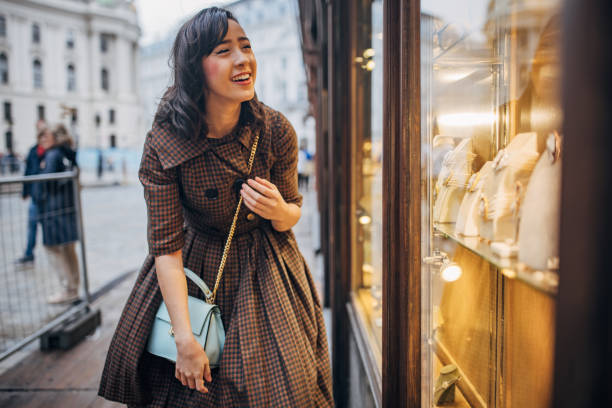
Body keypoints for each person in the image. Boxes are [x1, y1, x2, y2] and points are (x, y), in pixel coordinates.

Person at [98, 7, 333, 407]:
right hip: (195, 266)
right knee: (190, 390)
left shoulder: (275, 129)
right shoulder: (165, 142)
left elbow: (293, 211)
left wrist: (278, 210)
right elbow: (166, 250)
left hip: (266, 268)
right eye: (224, 51)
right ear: (195, 67)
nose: (243, 60)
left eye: (246, 46)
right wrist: (185, 339)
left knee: (284, 386)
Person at [33, 124, 80, 304]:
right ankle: (73, 286)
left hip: (54, 211)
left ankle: (69, 288)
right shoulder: (66, 153)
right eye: (40, 138)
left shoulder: (53, 155)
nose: (42, 141)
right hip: (65, 209)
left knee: (53, 248)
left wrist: (44, 167)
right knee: (68, 249)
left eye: (45, 137)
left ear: (54, 137)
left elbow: (45, 185)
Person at [16, 125, 47, 264]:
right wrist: (25, 191)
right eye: (42, 136)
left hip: (46, 197)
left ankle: (53, 252)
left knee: (47, 226)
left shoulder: (50, 152)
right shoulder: (33, 151)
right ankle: (29, 253)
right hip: (35, 195)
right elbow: (28, 172)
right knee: (32, 225)